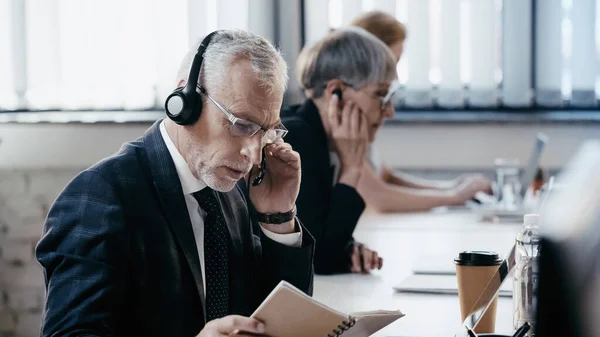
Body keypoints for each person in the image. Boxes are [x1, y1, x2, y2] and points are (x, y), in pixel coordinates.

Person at [35, 29, 314, 337]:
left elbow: (273, 320)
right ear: (186, 100)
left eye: (266, 130)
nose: (254, 153)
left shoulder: (232, 189)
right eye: (242, 125)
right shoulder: (100, 197)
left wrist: (278, 217)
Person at [349, 10, 493, 213]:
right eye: (393, 63)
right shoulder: (344, 119)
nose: (396, 75)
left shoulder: (366, 116)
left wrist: (451, 187)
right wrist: (455, 196)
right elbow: (381, 198)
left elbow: (386, 176)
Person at [281, 27, 395, 275]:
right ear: (336, 91)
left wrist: (348, 247)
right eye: (381, 95)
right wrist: (352, 169)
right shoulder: (296, 139)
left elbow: (315, 235)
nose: (389, 110)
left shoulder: (319, 137)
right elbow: (317, 258)